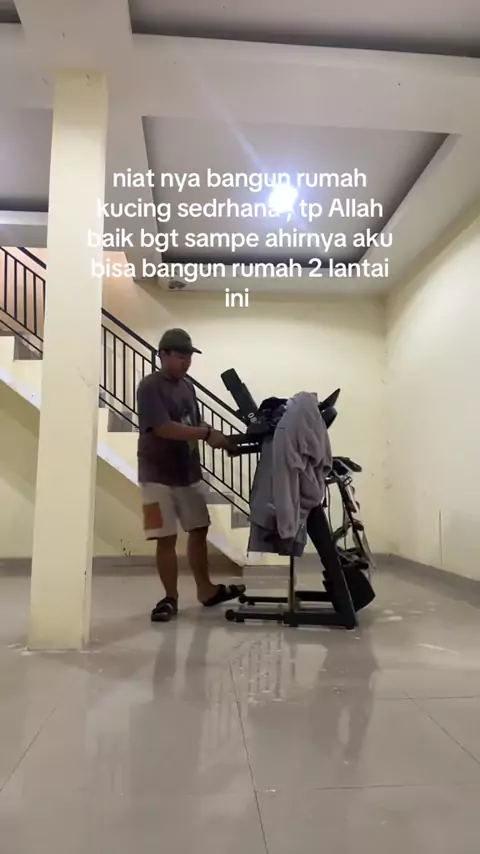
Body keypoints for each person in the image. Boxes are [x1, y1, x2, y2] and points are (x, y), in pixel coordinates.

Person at [137, 327, 245, 622]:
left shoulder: (187, 387)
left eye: (189, 356)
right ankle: (170, 598)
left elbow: (193, 424)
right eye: (180, 356)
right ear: (163, 354)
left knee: (199, 529)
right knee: (165, 537)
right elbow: (164, 428)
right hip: (155, 476)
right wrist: (206, 433)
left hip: (188, 472)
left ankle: (206, 590)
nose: (186, 361)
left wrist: (221, 439)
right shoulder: (150, 387)